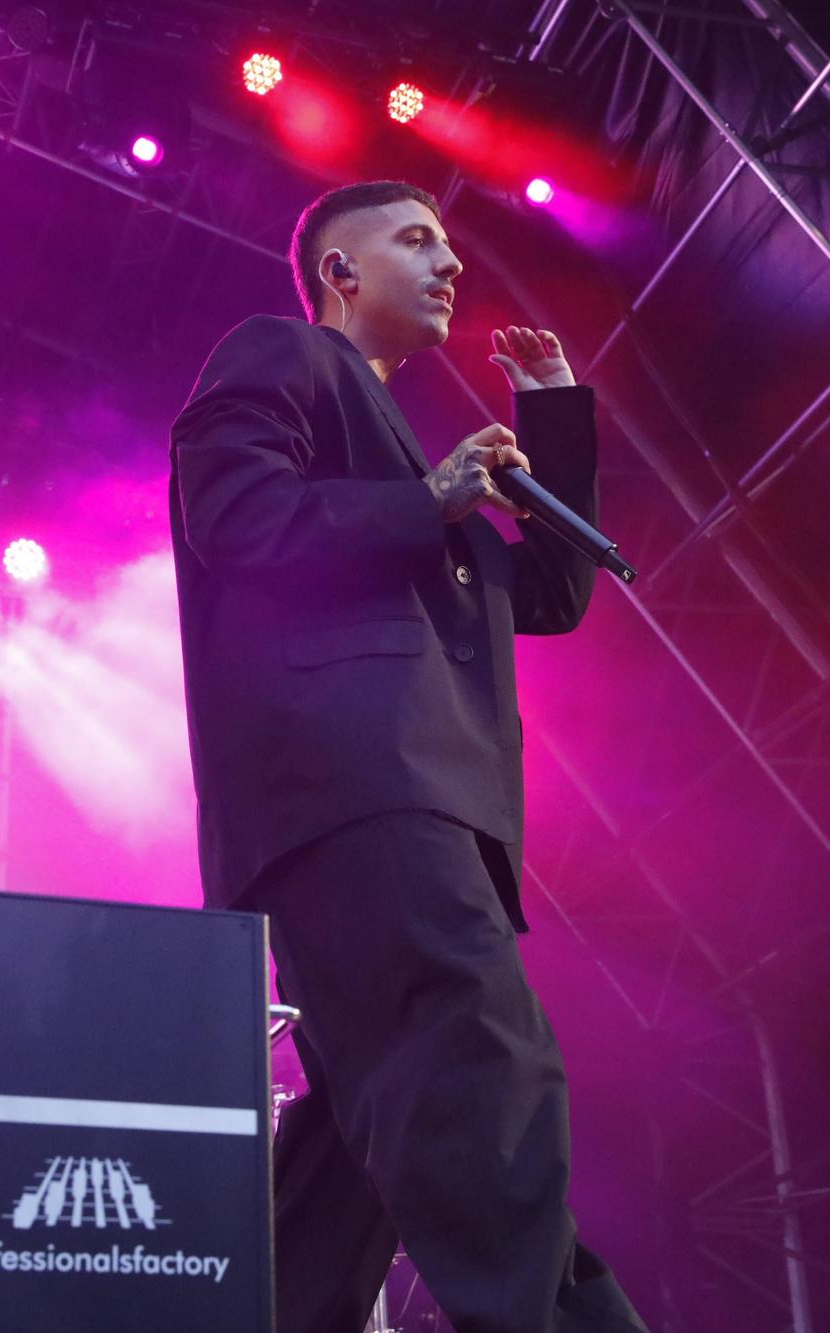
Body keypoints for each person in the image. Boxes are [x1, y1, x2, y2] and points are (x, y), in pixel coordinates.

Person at [168, 178, 647, 1333]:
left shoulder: (407, 463)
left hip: (405, 809)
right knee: (482, 1072)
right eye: (414, 240)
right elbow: (232, 518)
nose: (447, 264)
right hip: (358, 796)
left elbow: (546, 591)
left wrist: (549, 415)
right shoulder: (281, 354)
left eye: (447, 245)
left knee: (357, 1149)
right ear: (339, 270)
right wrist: (425, 499)